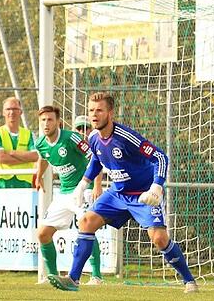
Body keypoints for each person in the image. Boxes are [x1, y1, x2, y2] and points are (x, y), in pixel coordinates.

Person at [48, 93, 198, 293]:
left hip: (143, 195)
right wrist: (83, 184)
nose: (94, 115)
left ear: (110, 113)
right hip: (117, 194)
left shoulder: (126, 137)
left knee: (159, 239)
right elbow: (96, 160)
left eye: (99, 110)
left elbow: (160, 157)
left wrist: (157, 186)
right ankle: (73, 279)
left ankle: (189, 281)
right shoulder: (93, 138)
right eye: (91, 110)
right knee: (86, 222)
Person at [34, 106, 103, 285]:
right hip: (64, 193)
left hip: (83, 189)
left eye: (50, 120)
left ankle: (96, 276)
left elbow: (95, 157)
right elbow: (43, 158)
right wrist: (39, 175)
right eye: (43, 120)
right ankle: (52, 276)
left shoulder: (71, 138)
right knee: (43, 234)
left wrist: (96, 185)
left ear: (58, 122)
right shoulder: (40, 143)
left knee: (86, 228)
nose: (46, 123)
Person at [0, 97, 38, 189]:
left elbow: (35, 156)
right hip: (2, 183)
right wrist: (26, 158)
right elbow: (1, 158)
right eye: (8, 109)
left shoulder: (29, 134)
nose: (11, 112)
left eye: (15, 109)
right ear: (3, 112)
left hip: (24, 183)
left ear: (21, 112)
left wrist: (11, 153)